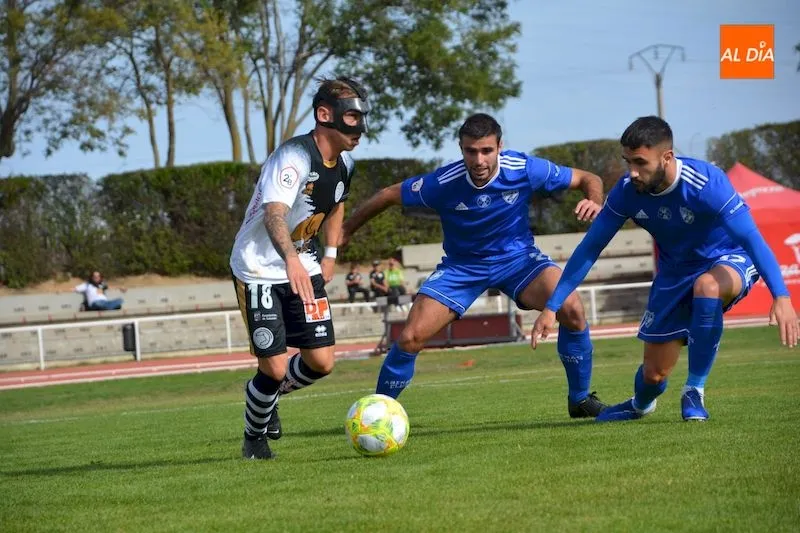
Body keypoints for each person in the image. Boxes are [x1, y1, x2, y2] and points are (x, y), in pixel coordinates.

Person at [531, 115, 798, 422]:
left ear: (667, 157)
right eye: (627, 161)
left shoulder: (706, 183)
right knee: (654, 376)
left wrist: (781, 295)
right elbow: (591, 248)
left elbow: (751, 238)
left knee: (707, 287)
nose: (632, 172)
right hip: (674, 272)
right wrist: (552, 306)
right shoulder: (627, 192)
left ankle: (694, 391)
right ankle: (639, 405)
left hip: (726, 258)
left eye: (640, 162)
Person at [340, 113, 608, 418]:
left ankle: (580, 399)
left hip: (519, 261)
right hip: (462, 268)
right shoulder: (442, 183)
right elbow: (387, 195)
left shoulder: (524, 168)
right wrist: (347, 230)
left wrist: (594, 200)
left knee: (572, 307)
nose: (478, 160)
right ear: (461, 148)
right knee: (411, 336)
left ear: (499, 147)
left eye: (486, 151)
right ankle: (377, 412)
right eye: (470, 151)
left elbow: (589, 178)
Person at [229, 76, 370, 459]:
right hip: (258, 270)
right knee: (273, 369)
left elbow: (337, 204)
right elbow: (274, 212)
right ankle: (254, 439)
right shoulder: (292, 157)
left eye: (362, 116)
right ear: (326, 115)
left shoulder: (346, 165)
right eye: (353, 116)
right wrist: (290, 258)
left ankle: (265, 394)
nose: (361, 126)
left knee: (321, 363)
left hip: (303, 266)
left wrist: (330, 255)